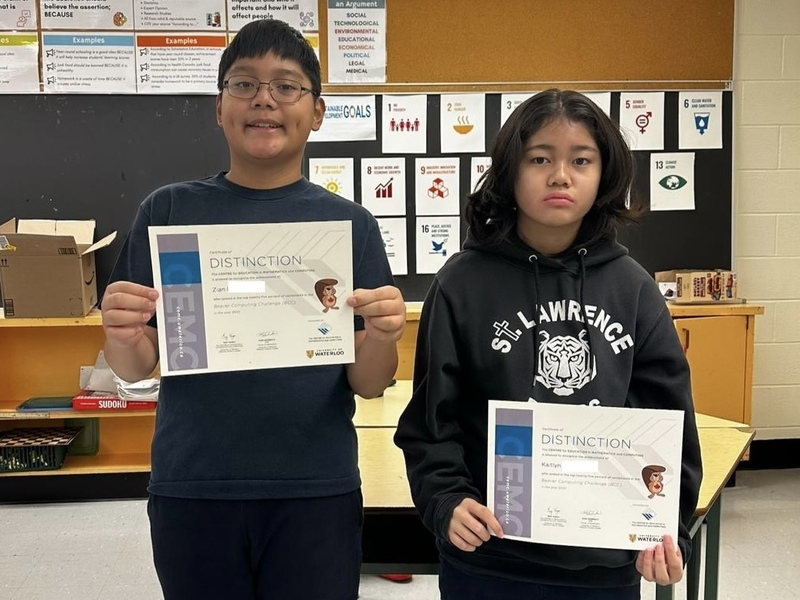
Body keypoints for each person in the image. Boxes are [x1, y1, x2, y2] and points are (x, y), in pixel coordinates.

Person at [100, 19, 405, 600]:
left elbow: (368, 383)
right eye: (244, 84)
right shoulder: (167, 212)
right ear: (219, 107)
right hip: (194, 484)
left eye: (287, 85)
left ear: (317, 112)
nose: (264, 98)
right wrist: (122, 331)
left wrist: (385, 336)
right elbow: (139, 366)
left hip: (314, 487)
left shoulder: (350, 227)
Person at [394, 89, 702, 600]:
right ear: (510, 172)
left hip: (604, 563)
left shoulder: (634, 289)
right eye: (540, 159)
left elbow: (671, 424)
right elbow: (431, 421)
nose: (561, 175)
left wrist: (670, 531)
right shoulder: (461, 285)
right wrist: (446, 500)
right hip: (489, 556)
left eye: (581, 160)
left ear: (604, 174)